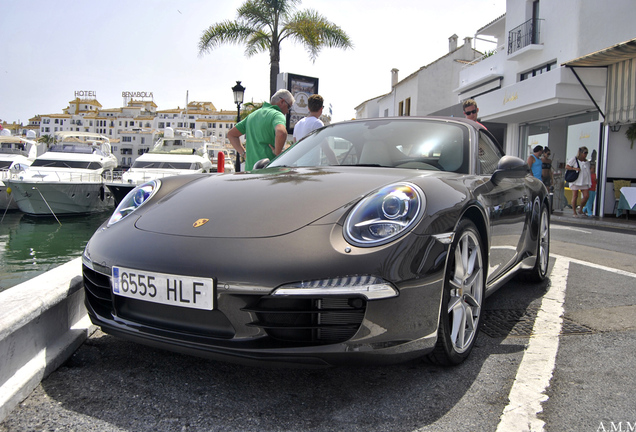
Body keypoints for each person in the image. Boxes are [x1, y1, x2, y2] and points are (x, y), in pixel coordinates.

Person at [228, 89, 294, 171]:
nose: (287, 111)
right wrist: (278, 152)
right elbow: (281, 132)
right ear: (282, 102)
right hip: (268, 172)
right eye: (289, 107)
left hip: (250, 171)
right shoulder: (277, 115)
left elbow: (231, 134)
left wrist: (244, 153)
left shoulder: (252, 115)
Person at [566, 146, 592, 217]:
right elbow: (567, 166)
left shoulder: (586, 162)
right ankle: (574, 212)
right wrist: (574, 168)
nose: (586, 154)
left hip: (584, 181)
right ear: (581, 153)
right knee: (575, 196)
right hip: (576, 180)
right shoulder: (574, 159)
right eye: (585, 153)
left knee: (586, 196)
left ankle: (580, 208)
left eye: (587, 153)